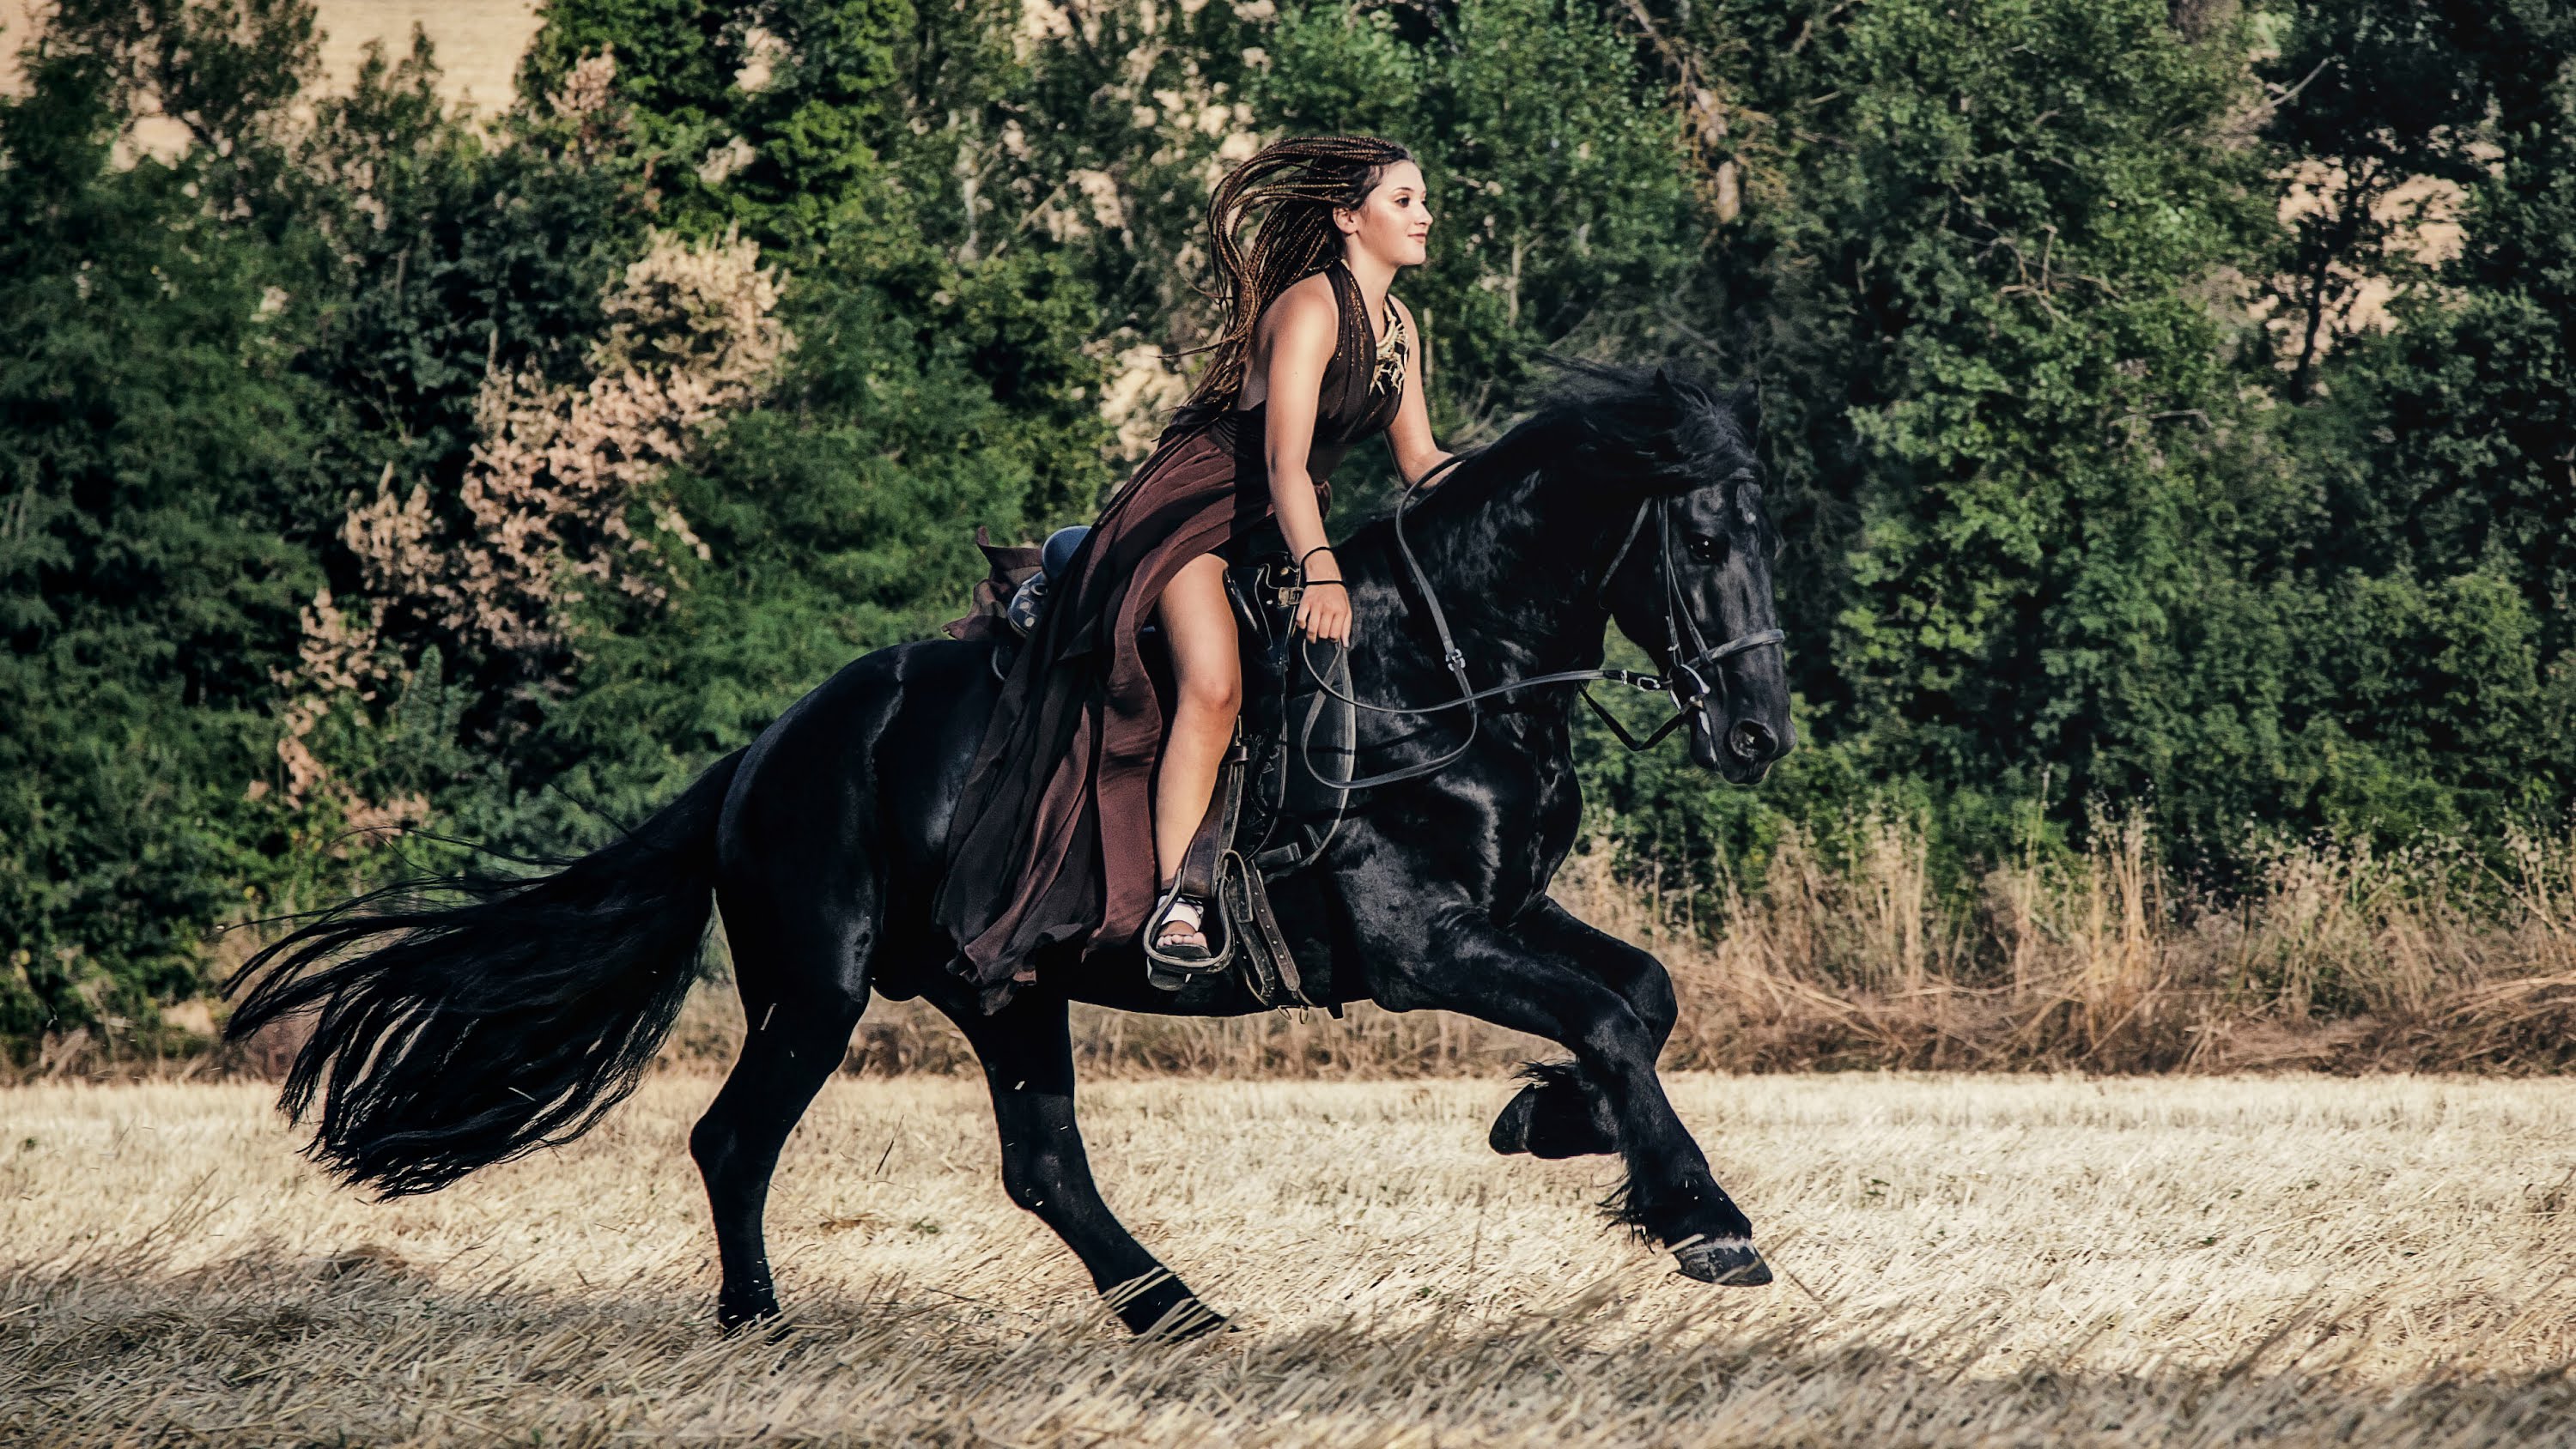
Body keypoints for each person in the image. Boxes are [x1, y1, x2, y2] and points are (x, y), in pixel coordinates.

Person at [933, 135, 1453, 1009]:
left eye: (1422, 199)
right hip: (1201, 509)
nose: (1424, 214)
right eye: (1403, 200)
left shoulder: (1398, 326)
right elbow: (1285, 462)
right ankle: (1183, 896)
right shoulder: (1310, 308)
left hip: (1278, 527)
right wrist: (1320, 567)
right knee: (1213, 685)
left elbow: (1423, 460)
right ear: (1347, 217)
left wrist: (1528, 478)